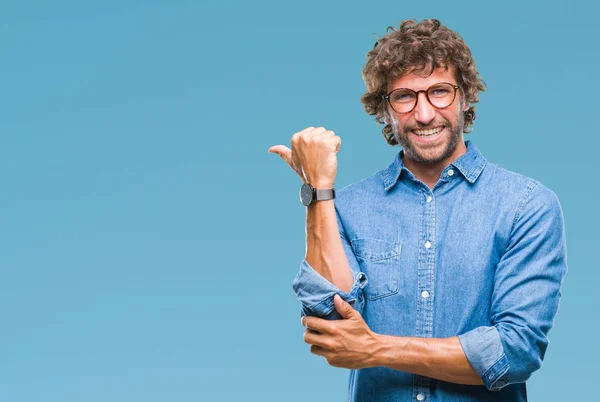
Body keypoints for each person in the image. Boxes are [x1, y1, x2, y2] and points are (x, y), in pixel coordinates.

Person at [268, 19, 567, 402]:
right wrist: (317, 191)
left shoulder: (526, 206)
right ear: (385, 109)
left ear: (467, 97)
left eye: (439, 92)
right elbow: (332, 329)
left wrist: (377, 348)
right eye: (405, 96)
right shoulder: (349, 207)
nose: (424, 114)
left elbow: (514, 352)